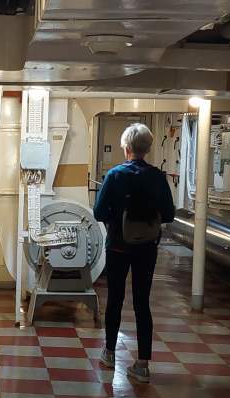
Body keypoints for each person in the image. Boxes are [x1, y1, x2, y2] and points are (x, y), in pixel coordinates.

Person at [92, 123, 175, 383]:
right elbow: (169, 214)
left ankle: (109, 353)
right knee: (142, 302)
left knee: (115, 299)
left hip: (118, 245)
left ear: (126, 147)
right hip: (147, 247)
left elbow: (98, 212)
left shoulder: (115, 175)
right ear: (148, 148)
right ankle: (143, 364)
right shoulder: (157, 177)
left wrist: (116, 218)